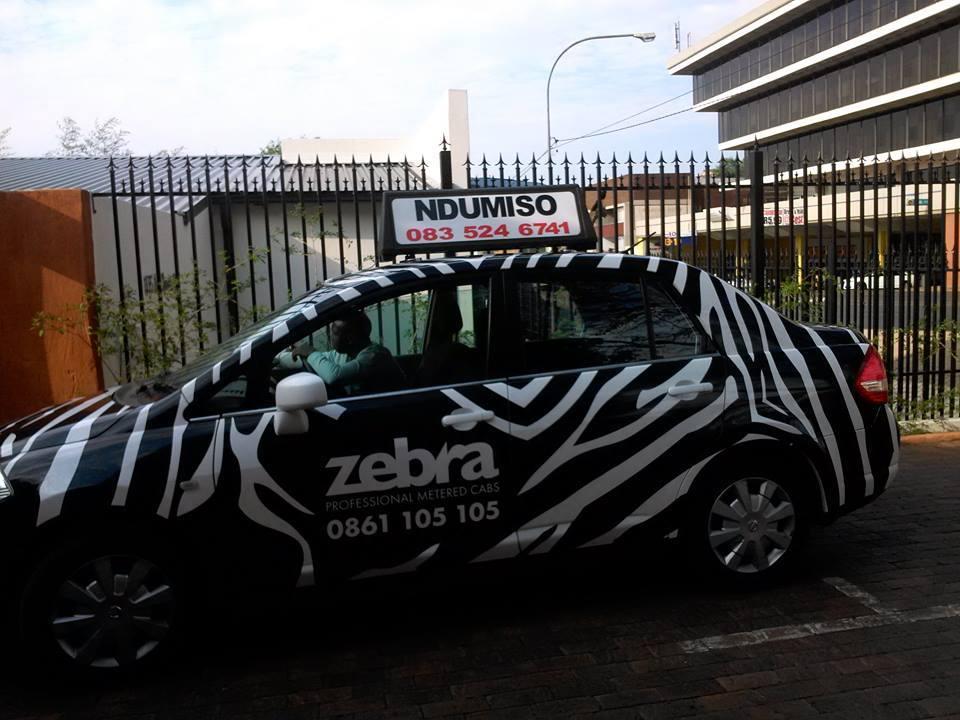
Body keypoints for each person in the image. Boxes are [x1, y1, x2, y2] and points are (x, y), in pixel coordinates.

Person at [274, 310, 406, 396]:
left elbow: (334, 376)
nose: (330, 336)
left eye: (335, 333)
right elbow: (319, 360)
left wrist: (311, 353)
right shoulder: (346, 353)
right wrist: (278, 358)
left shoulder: (374, 356)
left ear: (350, 339)